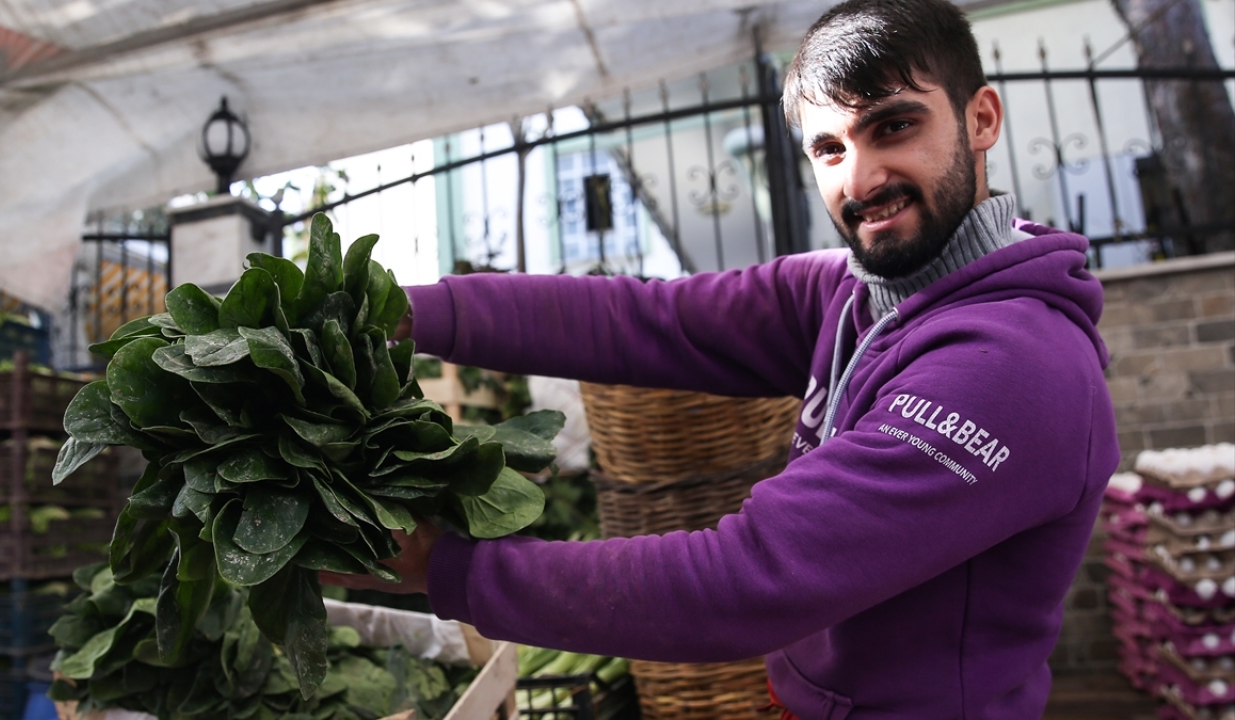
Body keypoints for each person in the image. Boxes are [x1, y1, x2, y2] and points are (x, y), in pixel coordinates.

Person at [324, 0, 1120, 715]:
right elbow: (644, 320)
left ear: (981, 119)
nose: (862, 178)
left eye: (894, 127)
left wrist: (442, 565)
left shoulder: (1013, 367)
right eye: (829, 147)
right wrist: (402, 312)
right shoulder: (857, 291)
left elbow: (745, 580)